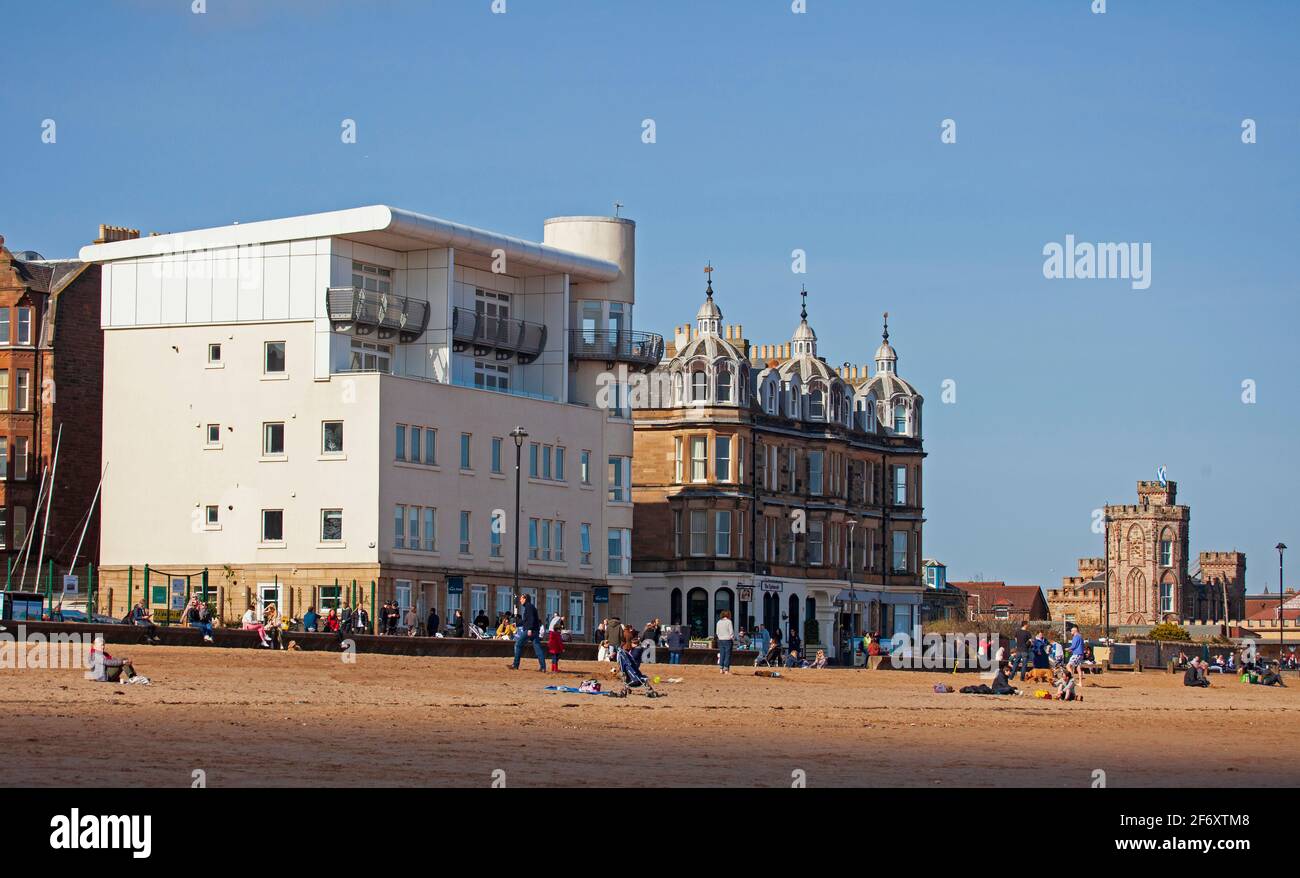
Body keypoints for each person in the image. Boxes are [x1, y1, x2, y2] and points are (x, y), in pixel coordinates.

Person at [507, 593, 547, 672]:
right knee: (538, 648)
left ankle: (515, 665)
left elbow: (531, 619)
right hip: (535, 631)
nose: (520, 600)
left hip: (530, 630)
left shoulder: (528, 607)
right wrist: (517, 624)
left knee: (518, 644)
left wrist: (529, 629)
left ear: (525, 599)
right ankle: (543, 667)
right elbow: (526, 621)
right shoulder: (530, 607)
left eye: (521, 598)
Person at [716, 610, 735, 674]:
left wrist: (720, 637)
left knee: (722, 654)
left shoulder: (718, 622)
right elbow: (731, 632)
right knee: (727, 655)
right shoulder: (729, 622)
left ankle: (721, 669)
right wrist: (732, 638)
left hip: (720, 640)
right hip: (727, 640)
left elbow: (717, 632)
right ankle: (726, 669)